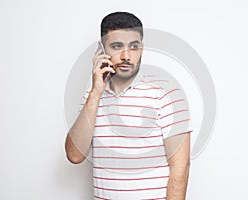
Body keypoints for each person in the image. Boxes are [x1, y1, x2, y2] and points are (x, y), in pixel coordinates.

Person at [65, 11, 192, 199]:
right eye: (117, 46)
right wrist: (95, 92)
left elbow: (180, 169)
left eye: (134, 47)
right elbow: (75, 155)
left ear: (142, 48)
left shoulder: (168, 93)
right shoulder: (92, 97)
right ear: (101, 49)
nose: (126, 56)